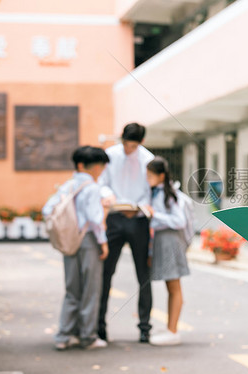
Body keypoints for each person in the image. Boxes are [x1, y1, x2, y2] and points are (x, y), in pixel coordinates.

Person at [42, 146, 110, 351]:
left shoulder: (68, 186)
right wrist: (103, 242)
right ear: (85, 166)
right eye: (99, 165)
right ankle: (87, 336)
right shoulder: (92, 187)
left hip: (69, 240)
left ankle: (63, 336)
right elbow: (95, 219)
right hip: (89, 241)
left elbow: (47, 209)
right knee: (91, 289)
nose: (100, 169)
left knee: (72, 289)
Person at [97, 123, 155, 343]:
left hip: (139, 219)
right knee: (105, 272)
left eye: (132, 146)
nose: (128, 149)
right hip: (114, 217)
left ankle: (144, 328)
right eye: (125, 144)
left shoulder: (148, 159)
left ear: (140, 143)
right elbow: (103, 183)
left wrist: (138, 206)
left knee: (143, 275)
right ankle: (99, 327)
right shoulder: (110, 155)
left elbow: (151, 189)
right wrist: (110, 196)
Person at [144, 156, 190, 346]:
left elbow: (179, 221)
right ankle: (171, 328)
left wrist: (156, 215)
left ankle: (173, 330)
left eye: (150, 175)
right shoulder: (157, 192)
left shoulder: (170, 194)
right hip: (163, 241)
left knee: (174, 286)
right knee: (170, 286)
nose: (147, 178)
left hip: (171, 241)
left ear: (161, 175)